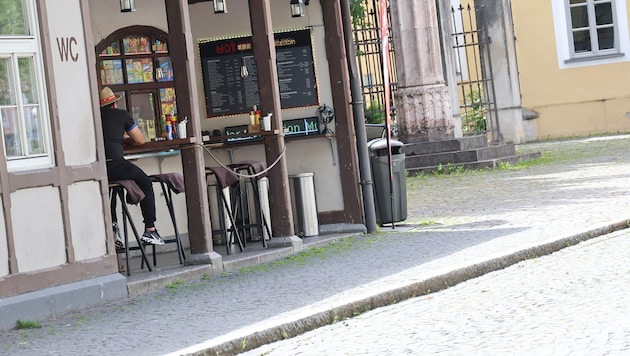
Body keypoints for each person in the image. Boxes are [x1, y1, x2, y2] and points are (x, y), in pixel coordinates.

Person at [99, 87, 164, 247]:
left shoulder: (96, 118)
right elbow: (140, 140)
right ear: (115, 103)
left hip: (100, 168)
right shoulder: (122, 115)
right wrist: (123, 136)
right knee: (146, 182)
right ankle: (150, 229)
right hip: (116, 164)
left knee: (111, 192)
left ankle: (113, 228)